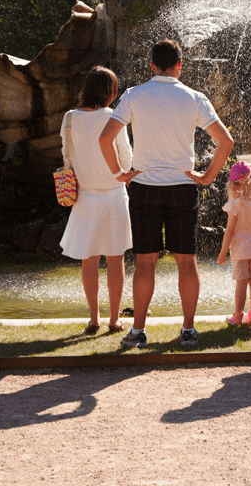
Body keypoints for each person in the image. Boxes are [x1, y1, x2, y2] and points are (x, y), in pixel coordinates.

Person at [99, 39, 234, 348]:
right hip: (183, 187)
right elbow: (225, 142)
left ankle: (138, 331)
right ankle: (188, 330)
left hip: (144, 187)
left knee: (145, 262)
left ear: (152, 66)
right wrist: (206, 177)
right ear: (180, 65)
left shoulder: (134, 95)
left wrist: (120, 174)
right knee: (187, 261)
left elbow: (105, 139)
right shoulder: (194, 98)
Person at [59, 66, 140, 334]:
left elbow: (66, 155)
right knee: (115, 260)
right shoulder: (113, 118)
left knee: (88, 259)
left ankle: (93, 318)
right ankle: (114, 319)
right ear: (111, 91)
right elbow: (125, 159)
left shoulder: (70, 117)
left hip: (84, 195)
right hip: (114, 194)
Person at [217, 161, 251, 326]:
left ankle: (238, 316)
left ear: (232, 185)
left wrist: (223, 251)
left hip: (240, 249)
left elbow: (230, 231)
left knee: (241, 283)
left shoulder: (235, 205)